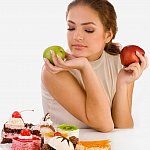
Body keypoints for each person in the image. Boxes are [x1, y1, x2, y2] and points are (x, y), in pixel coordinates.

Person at [41, 0, 148, 132]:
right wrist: (85, 67)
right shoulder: (55, 69)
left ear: (108, 35)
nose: (77, 36)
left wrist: (122, 84)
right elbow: (105, 125)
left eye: (88, 30)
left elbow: (123, 127)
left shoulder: (118, 62)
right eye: (71, 28)